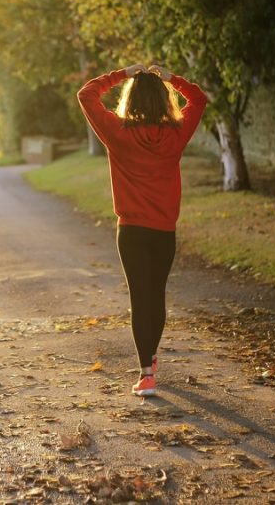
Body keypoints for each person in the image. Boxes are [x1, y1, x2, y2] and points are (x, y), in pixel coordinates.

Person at [77, 62, 208, 397]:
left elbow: (87, 94)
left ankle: (146, 373)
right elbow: (199, 99)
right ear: (164, 100)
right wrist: (171, 79)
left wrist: (122, 73)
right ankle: (150, 357)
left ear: (130, 100)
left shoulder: (117, 132)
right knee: (156, 294)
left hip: (131, 231)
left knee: (140, 297)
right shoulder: (176, 134)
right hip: (163, 231)